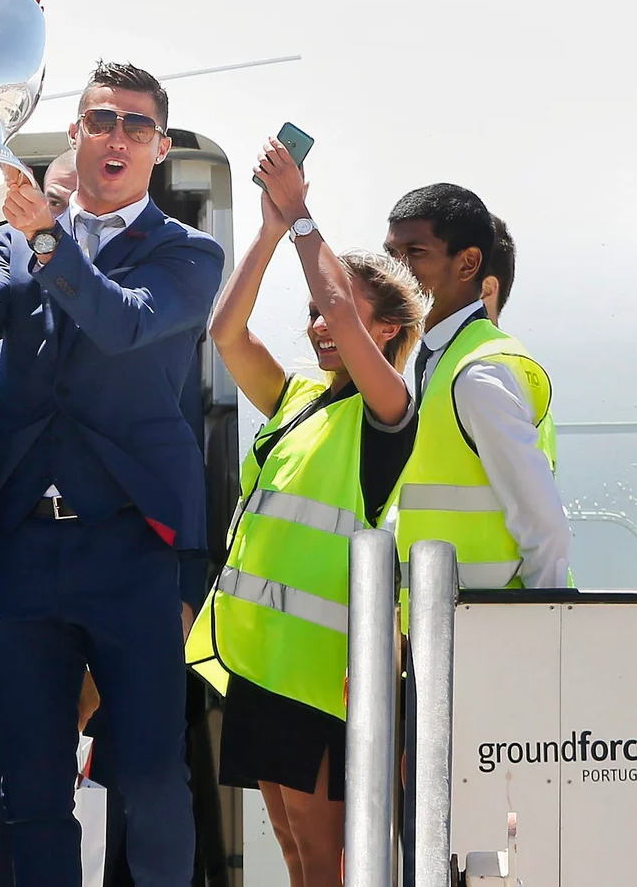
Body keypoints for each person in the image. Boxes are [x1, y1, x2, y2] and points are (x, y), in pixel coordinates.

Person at [0, 61, 226, 886]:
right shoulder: (16, 242)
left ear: (160, 148)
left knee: (154, 775)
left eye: (136, 125)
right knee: (27, 787)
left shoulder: (188, 252)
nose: (117, 136)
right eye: (102, 120)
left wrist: (44, 238)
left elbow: (123, 325)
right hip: (20, 548)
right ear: (77, 135)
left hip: (130, 545)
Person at [185, 140, 427, 887]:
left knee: (328, 860)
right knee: (293, 853)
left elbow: (335, 308)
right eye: (320, 317)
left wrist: (301, 218)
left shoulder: (388, 411)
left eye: (347, 317)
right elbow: (225, 332)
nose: (323, 327)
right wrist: (264, 230)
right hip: (263, 666)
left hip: (326, 682)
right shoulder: (296, 398)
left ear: (385, 330)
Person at [383, 184, 569, 589]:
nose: (397, 270)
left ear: (468, 264)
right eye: (391, 255)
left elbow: (544, 528)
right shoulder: (439, 356)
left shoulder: (477, 375)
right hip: (446, 631)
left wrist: (546, 630)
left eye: (414, 253)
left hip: (494, 635)